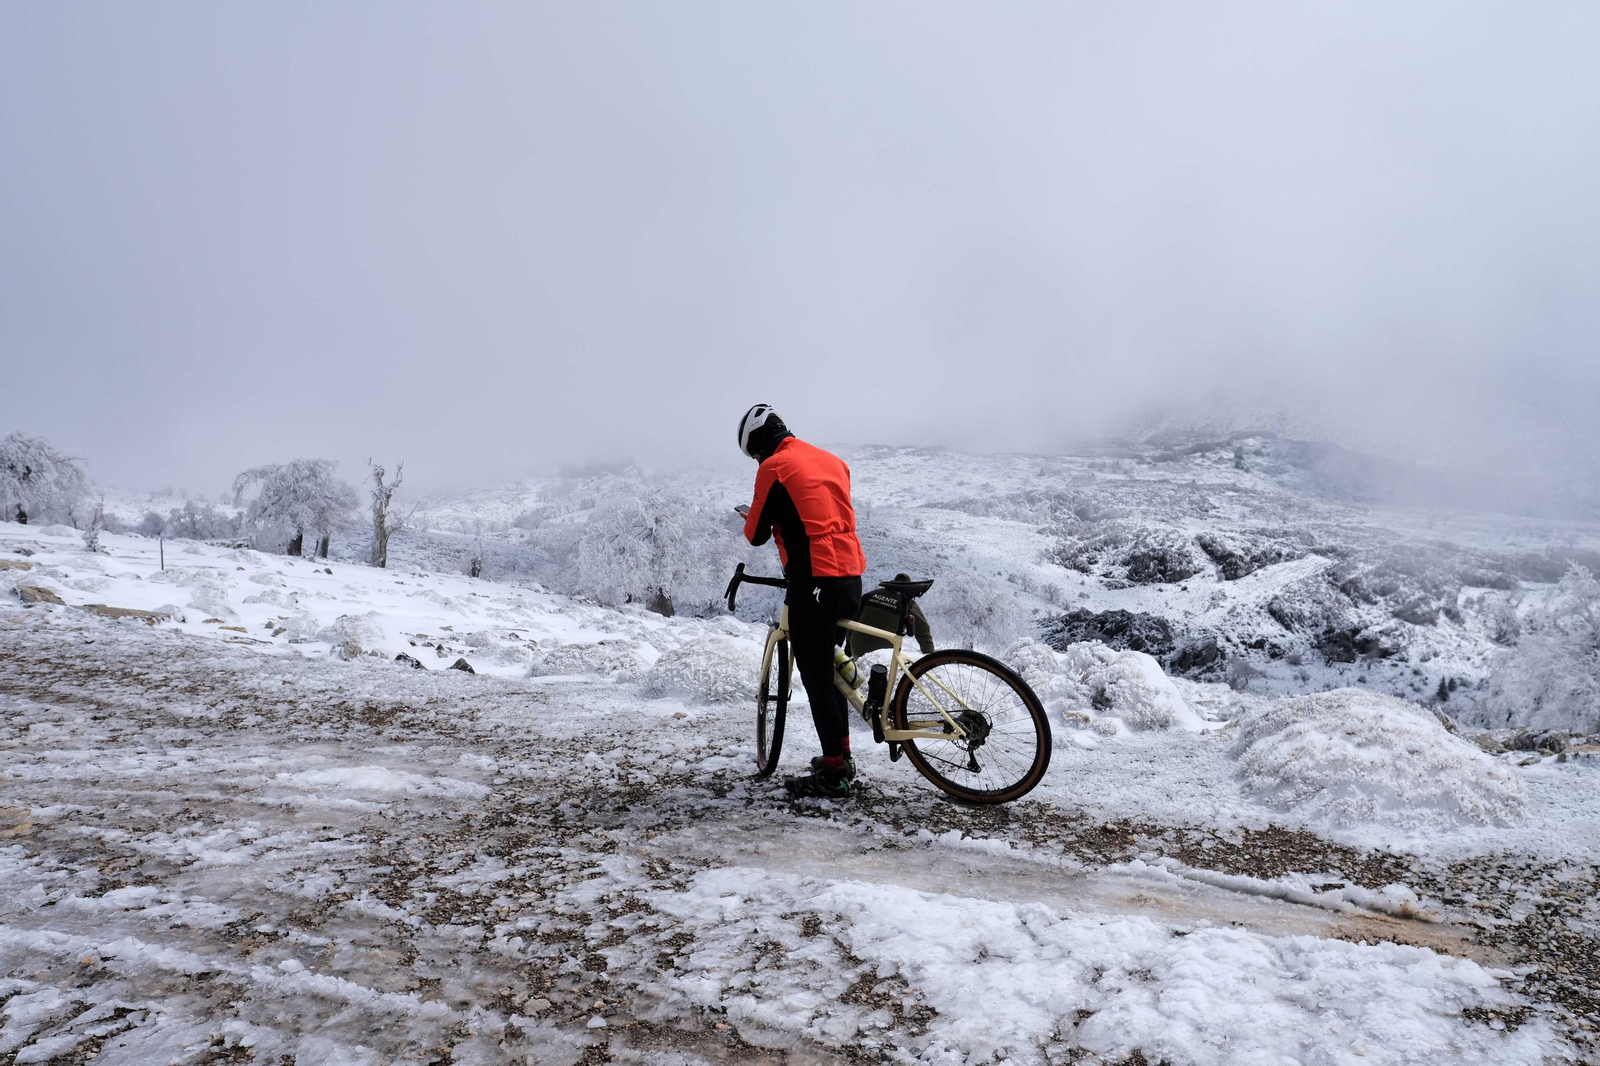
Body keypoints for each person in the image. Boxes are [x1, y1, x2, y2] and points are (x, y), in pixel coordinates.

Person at [736, 404, 864, 798]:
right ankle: (841, 756)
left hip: (814, 582)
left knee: (817, 677)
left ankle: (835, 774)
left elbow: (755, 534)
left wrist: (751, 515)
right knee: (832, 671)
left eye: (754, 453)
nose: (757, 459)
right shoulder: (831, 461)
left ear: (758, 442)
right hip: (850, 577)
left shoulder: (774, 466)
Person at [895, 573, 936, 654]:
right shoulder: (907, 603)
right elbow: (923, 627)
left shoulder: (872, 594)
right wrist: (929, 654)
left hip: (866, 644)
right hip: (886, 649)